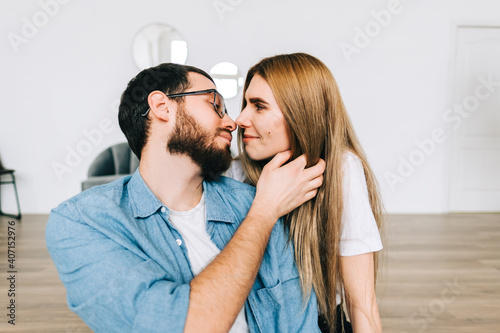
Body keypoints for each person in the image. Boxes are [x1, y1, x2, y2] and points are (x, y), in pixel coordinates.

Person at [46, 63, 326, 333]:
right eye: (215, 105)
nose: (232, 122)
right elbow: (184, 326)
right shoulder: (82, 223)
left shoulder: (254, 200)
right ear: (161, 106)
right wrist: (264, 214)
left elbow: (299, 324)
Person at [226, 53, 384, 333]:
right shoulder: (234, 174)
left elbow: (362, 304)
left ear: (302, 113)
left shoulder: (342, 170)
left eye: (259, 106)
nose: (240, 119)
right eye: (245, 104)